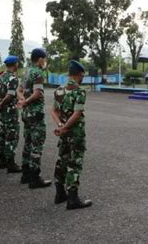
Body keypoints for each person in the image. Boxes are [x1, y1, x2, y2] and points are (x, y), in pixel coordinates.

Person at [51, 60, 92, 210]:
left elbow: (53, 111)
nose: (83, 77)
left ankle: (60, 193)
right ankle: (73, 199)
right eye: (83, 75)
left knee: (62, 160)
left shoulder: (59, 90)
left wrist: (60, 126)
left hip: (64, 133)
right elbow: (77, 113)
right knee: (74, 163)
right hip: (75, 133)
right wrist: (66, 127)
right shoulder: (79, 91)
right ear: (80, 74)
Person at [18, 48, 51, 188]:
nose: (45, 62)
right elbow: (37, 93)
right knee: (37, 144)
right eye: (45, 59)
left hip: (26, 113)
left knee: (28, 141)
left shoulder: (26, 72)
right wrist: (26, 101)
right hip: (35, 113)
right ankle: (34, 178)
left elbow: (19, 90)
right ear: (40, 59)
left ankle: (25, 174)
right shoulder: (38, 73)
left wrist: (22, 100)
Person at [0, 55, 22, 173]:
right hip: (10, 111)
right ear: (15, 64)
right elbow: (10, 96)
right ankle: (11, 164)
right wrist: (0, 104)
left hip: (3, 111)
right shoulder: (12, 79)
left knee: (3, 135)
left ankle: (2, 161)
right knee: (11, 137)